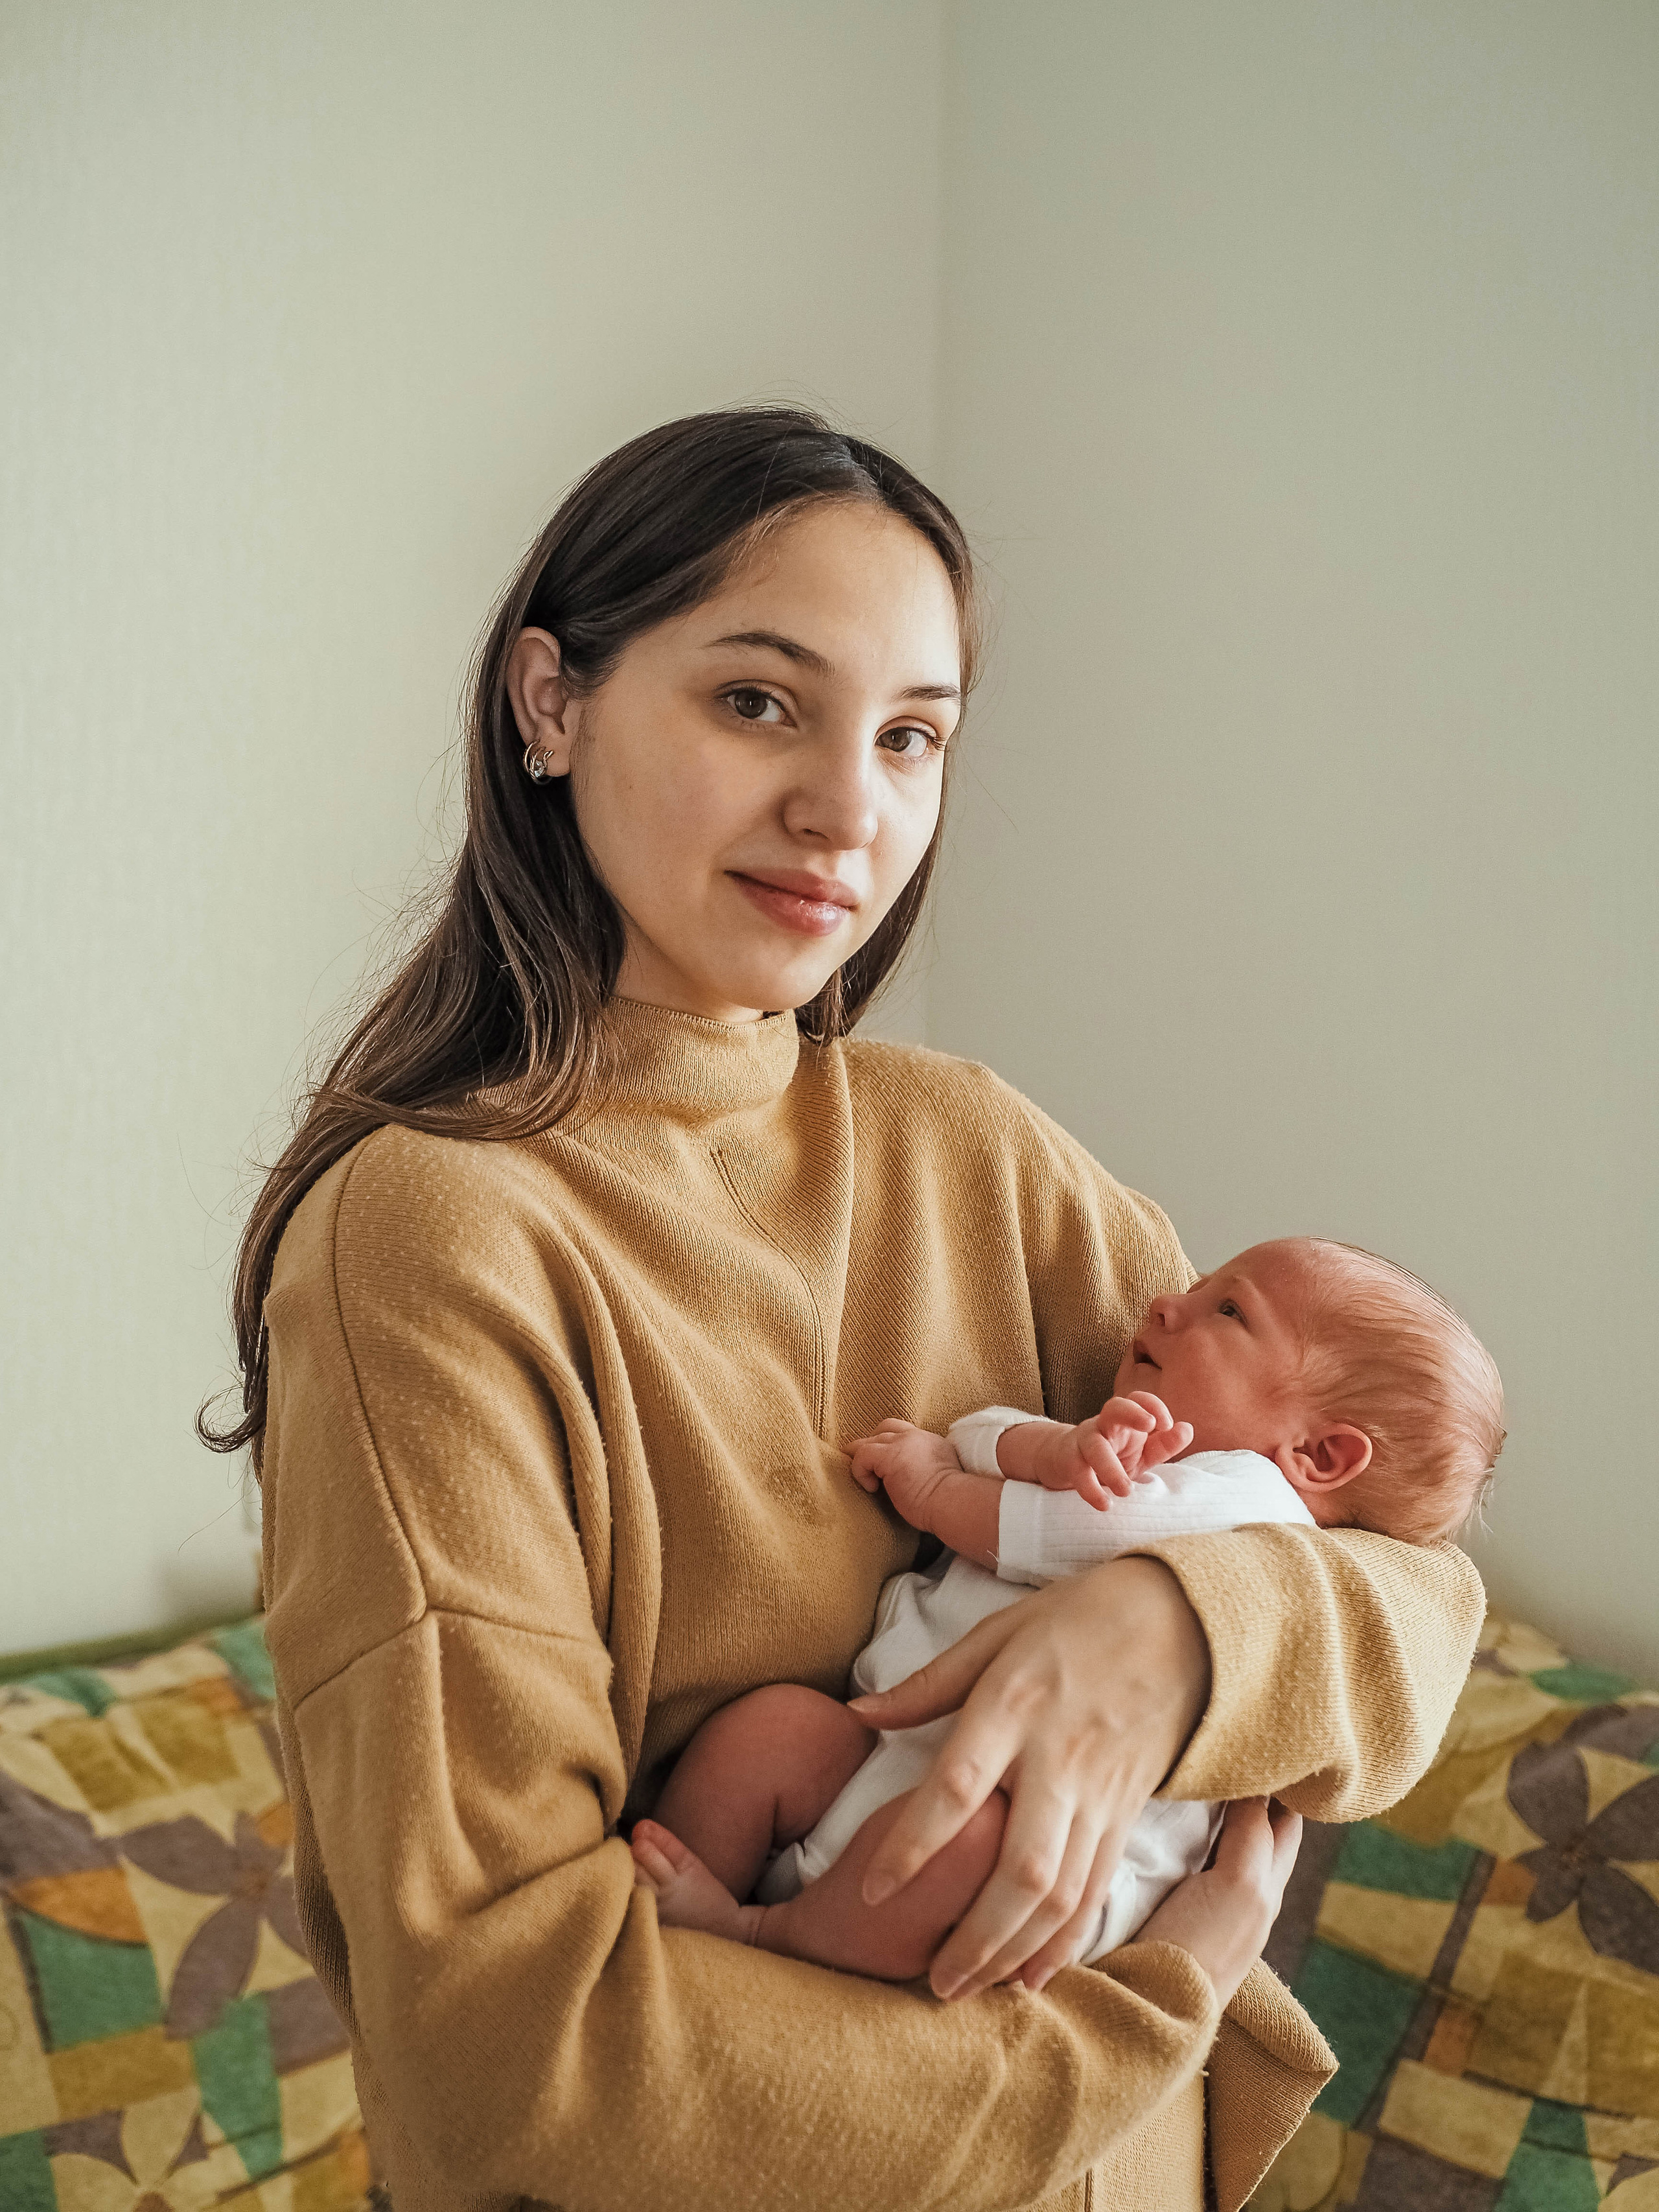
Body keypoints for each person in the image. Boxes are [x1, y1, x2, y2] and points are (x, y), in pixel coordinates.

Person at [207, 408, 1487, 2212]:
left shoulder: (977, 1149)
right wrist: (1161, 1998)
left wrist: (1173, 1631)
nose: (848, 806)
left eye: (912, 738)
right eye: (757, 701)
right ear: (549, 703)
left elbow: (1416, 1584)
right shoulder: (432, 1238)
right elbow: (515, 2034)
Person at [631, 1235, 1505, 1986]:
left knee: (967, 1843)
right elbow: (986, 1431)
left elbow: (1056, 1528)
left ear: (1316, 1453)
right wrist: (1055, 1445)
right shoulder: (1135, 1453)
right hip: (886, 1759)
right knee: (774, 1730)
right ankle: (669, 1886)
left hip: (1024, 1862)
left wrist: (937, 1488)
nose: (1167, 1302)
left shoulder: (1244, 1502)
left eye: (1228, 1311)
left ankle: (760, 1933)